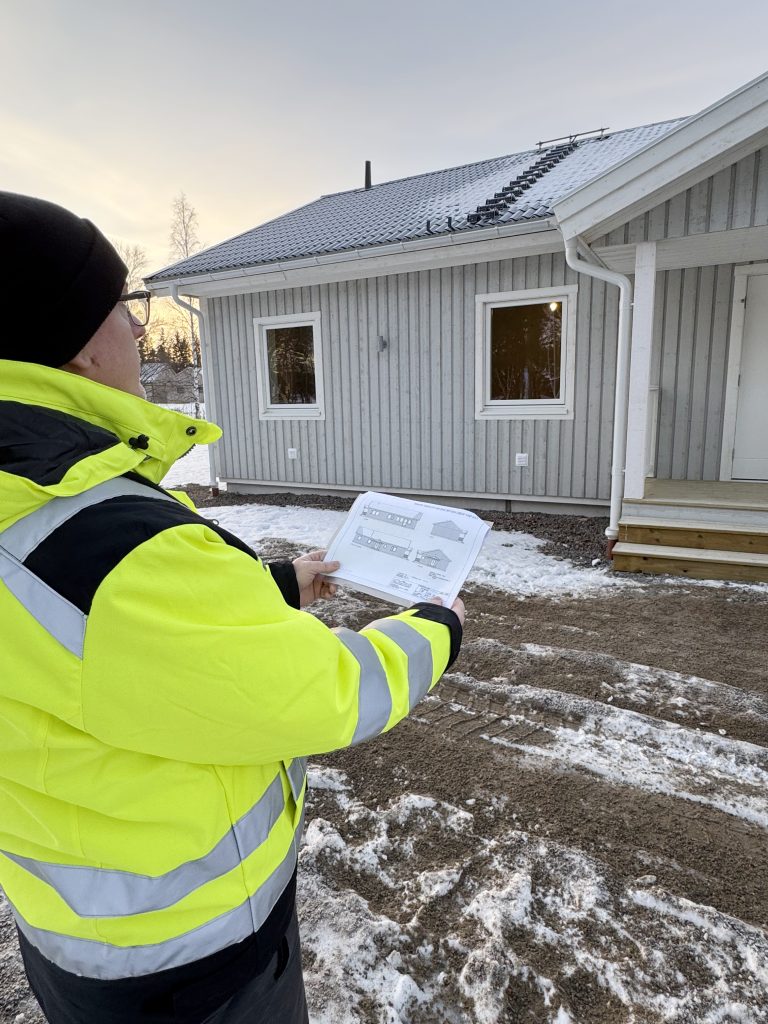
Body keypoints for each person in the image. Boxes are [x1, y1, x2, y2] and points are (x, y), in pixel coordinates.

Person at [0, 192, 465, 1024]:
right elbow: (320, 692)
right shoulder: (104, 538)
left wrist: (280, 587)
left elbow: (80, 639)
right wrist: (437, 626)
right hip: (191, 961)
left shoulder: (35, 510)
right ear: (68, 345)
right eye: (121, 304)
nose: (139, 330)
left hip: (70, 929)